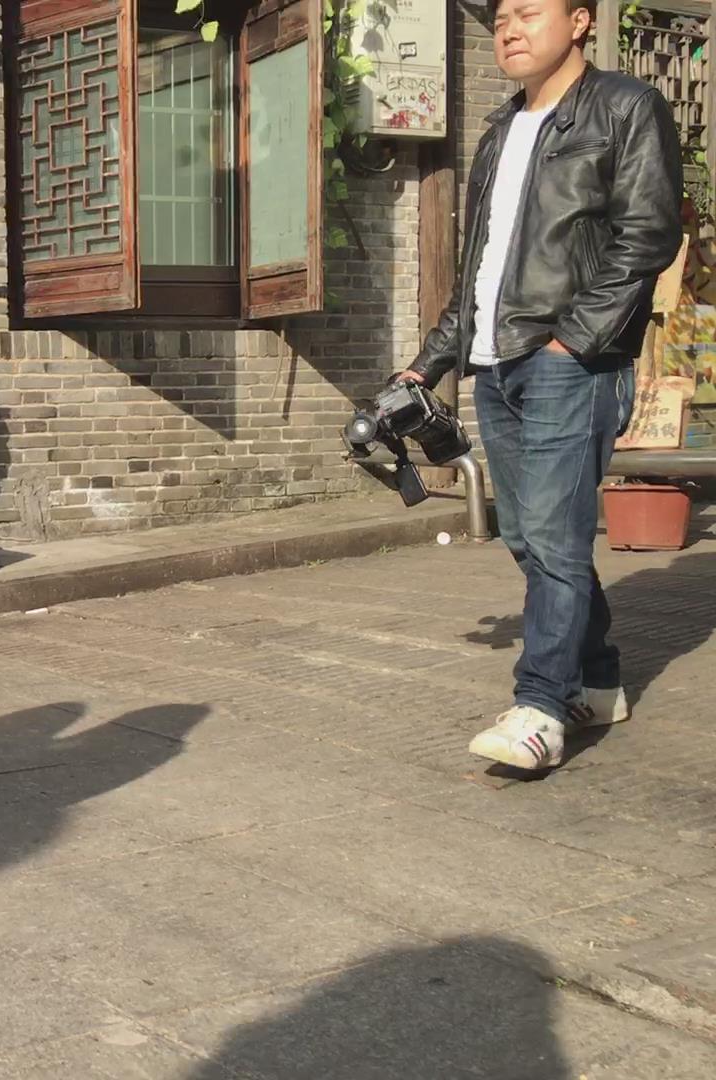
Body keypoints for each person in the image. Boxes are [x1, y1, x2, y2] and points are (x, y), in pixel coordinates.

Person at [399, 0, 682, 770]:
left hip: (571, 362)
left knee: (556, 539)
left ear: (581, 20)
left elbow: (648, 235)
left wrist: (571, 342)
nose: (510, 29)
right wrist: (429, 363)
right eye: (500, 20)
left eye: (529, 12)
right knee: (529, 537)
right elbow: (480, 270)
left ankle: (541, 707)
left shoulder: (626, 107)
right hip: (496, 363)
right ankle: (598, 681)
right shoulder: (500, 130)